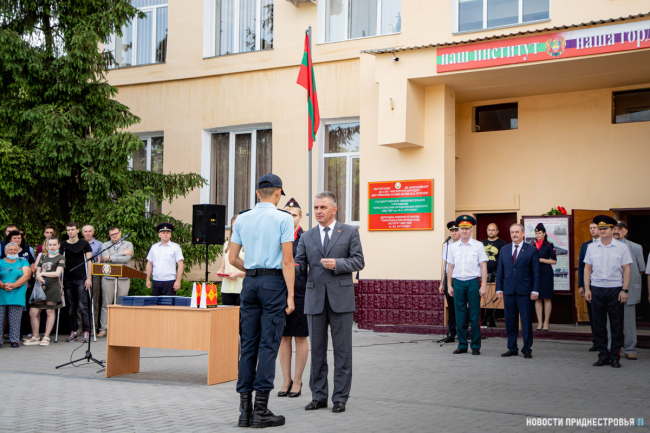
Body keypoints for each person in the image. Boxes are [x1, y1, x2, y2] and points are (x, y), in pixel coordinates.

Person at [228, 173, 295, 428]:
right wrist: (290, 295)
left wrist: (253, 270)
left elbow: (233, 258)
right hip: (273, 284)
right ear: (278, 193)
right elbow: (287, 261)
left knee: (248, 345)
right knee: (268, 345)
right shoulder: (283, 218)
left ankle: (244, 412)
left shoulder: (242, 218)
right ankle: (261, 411)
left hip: (250, 284)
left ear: (258, 193)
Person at [295, 191, 365, 414]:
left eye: (323, 207)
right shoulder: (307, 236)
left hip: (341, 299)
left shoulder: (349, 232)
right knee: (317, 351)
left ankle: (340, 398)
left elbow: (359, 261)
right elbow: (299, 265)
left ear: (334, 209)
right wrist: (285, 266)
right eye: (316, 207)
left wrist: (338, 264)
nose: (318, 211)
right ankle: (318, 396)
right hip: (314, 299)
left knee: (342, 352)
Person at [584, 215, 632, 368]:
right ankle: (603, 355)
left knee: (616, 325)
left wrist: (624, 290)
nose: (602, 231)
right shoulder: (591, 247)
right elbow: (587, 269)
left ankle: (615, 357)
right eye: (600, 228)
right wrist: (587, 289)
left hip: (615, 289)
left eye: (605, 228)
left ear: (612, 230)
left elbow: (627, 270)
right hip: (597, 289)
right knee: (599, 325)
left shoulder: (622, 248)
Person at [278, 198, 309, 399]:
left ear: (300, 217)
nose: (291, 218)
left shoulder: (306, 238)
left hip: (299, 292)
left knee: (300, 336)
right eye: (287, 215)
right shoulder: (278, 236)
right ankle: (285, 380)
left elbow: (306, 265)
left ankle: (297, 380)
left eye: (294, 215)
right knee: (283, 336)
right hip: (280, 291)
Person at [496, 223, 540, 359]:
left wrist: (535, 290)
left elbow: (536, 272)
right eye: (512, 232)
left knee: (526, 321)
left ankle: (527, 349)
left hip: (525, 292)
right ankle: (512, 347)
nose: (514, 234)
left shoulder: (531, 250)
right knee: (510, 321)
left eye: (517, 232)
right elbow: (500, 271)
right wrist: (499, 288)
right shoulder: (504, 250)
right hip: (508, 290)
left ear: (523, 233)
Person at [446, 215, 488, 356]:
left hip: (473, 282)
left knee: (475, 315)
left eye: (467, 228)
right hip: (458, 282)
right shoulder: (453, 247)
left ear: (471, 230)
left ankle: (475, 346)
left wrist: (483, 285)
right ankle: (462, 344)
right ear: (458, 230)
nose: (464, 231)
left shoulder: (478, 245)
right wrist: (449, 285)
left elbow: (483, 266)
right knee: (460, 315)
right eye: (462, 228)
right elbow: (450, 267)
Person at [612, 221, 645, 360]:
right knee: (610, 320)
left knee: (629, 321)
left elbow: (641, 269)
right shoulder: (606, 246)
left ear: (625, 231)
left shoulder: (636, 247)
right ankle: (611, 348)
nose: (616, 231)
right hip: (610, 289)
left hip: (629, 289)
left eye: (620, 229)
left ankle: (630, 349)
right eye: (614, 228)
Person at [24, 237, 65, 346]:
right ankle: (36, 336)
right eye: (50, 245)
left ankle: (46, 337)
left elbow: (57, 273)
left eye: (54, 244)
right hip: (40, 286)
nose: (52, 247)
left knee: (49, 312)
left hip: (52, 287)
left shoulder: (61, 257)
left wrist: (42, 274)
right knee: (33, 312)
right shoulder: (42, 256)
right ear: (46, 246)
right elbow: (37, 269)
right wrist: (38, 276)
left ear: (58, 245)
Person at [98, 226, 134, 338]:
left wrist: (111, 258)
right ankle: (104, 329)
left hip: (123, 278)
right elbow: (104, 258)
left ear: (120, 233)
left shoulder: (128, 244)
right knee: (106, 304)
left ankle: (120, 328)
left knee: (122, 304)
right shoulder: (105, 245)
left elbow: (126, 259)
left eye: (116, 233)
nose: (114, 236)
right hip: (108, 277)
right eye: (112, 234)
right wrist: (122, 253)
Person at [61, 222, 93, 343]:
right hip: (68, 278)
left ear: (77, 230)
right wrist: (60, 279)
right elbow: (60, 262)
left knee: (83, 306)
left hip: (81, 278)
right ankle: (73, 331)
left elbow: (89, 261)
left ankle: (86, 331)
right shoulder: (63, 245)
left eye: (72, 229)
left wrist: (88, 278)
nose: (70, 232)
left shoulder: (84, 244)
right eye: (68, 230)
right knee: (70, 307)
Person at [0, 242, 32, 348]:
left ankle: (14, 340)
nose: (13, 251)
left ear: (18, 251)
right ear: (5, 252)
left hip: (16, 294)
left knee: (15, 319)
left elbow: (26, 276)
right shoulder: (0, 262)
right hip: (1, 294)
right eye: (10, 249)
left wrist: (13, 286)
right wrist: (4, 286)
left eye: (15, 249)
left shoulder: (23, 262)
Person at [146, 223, 184, 296]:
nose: (165, 234)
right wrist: (147, 279)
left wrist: (178, 281)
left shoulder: (175, 247)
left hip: (169, 281)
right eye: (163, 233)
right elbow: (149, 263)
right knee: (155, 303)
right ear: (159, 235)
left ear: (170, 235)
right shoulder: (154, 247)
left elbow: (180, 264)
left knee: (169, 302)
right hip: (156, 281)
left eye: (168, 233)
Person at [578, 222, 600, 352]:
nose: (592, 230)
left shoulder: (606, 244)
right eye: (590, 228)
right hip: (589, 286)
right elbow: (582, 267)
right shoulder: (586, 246)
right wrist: (581, 285)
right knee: (593, 315)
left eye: (594, 228)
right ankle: (596, 341)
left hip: (604, 286)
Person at [532, 223, 557, 331]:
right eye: (536, 233)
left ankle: (546, 322)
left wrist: (541, 260)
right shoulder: (532, 245)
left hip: (546, 273)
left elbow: (554, 260)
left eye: (539, 233)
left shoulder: (549, 245)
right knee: (537, 298)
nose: (537, 235)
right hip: (535, 273)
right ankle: (540, 323)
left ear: (544, 233)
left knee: (546, 297)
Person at [439, 220, 460, 342]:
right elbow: (444, 265)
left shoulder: (463, 244)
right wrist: (442, 283)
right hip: (448, 278)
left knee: (461, 306)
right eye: (452, 231)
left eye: (456, 230)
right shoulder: (447, 245)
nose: (454, 233)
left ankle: (462, 331)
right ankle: (451, 332)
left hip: (459, 277)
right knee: (451, 307)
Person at [219, 215, 246, 306]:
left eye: (236, 226)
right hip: (226, 288)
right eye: (232, 226)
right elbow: (223, 266)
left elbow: (252, 270)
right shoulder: (227, 244)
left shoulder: (248, 245)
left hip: (241, 288)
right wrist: (220, 272)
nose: (234, 229)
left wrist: (238, 274)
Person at [81, 225, 103, 334]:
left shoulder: (99, 244)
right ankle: (80, 328)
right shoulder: (79, 243)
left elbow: (100, 260)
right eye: (85, 231)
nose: (88, 233)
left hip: (94, 276)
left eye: (90, 231)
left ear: (93, 232)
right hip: (81, 276)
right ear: (82, 233)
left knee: (94, 303)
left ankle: (93, 328)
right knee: (81, 303)